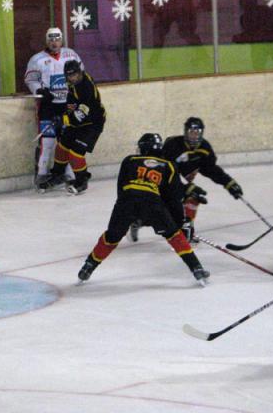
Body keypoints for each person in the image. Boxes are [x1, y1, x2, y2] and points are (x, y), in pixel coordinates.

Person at [77, 133, 210, 285]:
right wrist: (180, 223)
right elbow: (172, 199)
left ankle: (88, 267)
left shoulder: (130, 160)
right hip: (152, 202)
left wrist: (125, 211)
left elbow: (121, 188)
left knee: (112, 237)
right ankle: (197, 269)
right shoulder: (169, 166)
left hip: (126, 201)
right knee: (174, 235)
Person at [161, 117, 243, 238]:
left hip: (181, 183)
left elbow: (211, 169)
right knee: (160, 207)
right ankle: (137, 221)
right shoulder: (173, 146)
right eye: (191, 132)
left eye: (197, 132)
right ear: (185, 132)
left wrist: (229, 183)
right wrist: (184, 187)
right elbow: (165, 172)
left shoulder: (204, 147)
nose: (194, 135)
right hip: (165, 182)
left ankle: (186, 231)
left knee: (194, 197)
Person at [24, 27, 82, 188]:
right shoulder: (37, 59)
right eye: (51, 39)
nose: (54, 42)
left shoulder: (71, 55)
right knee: (48, 142)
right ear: (46, 41)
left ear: (61, 39)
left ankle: (69, 173)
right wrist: (40, 90)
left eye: (57, 39)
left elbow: (81, 76)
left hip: (67, 106)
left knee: (67, 141)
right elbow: (30, 79)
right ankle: (42, 174)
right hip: (47, 107)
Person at [37, 59, 105, 194]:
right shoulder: (73, 83)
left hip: (92, 124)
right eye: (69, 76)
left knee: (75, 153)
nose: (72, 78)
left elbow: (81, 114)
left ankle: (82, 180)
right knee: (62, 147)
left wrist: (63, 119)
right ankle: (58, 175)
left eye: (74, 75)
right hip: (78, 122)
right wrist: (49, 96)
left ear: (80, 73)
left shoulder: (86, 88)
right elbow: (71, 104)